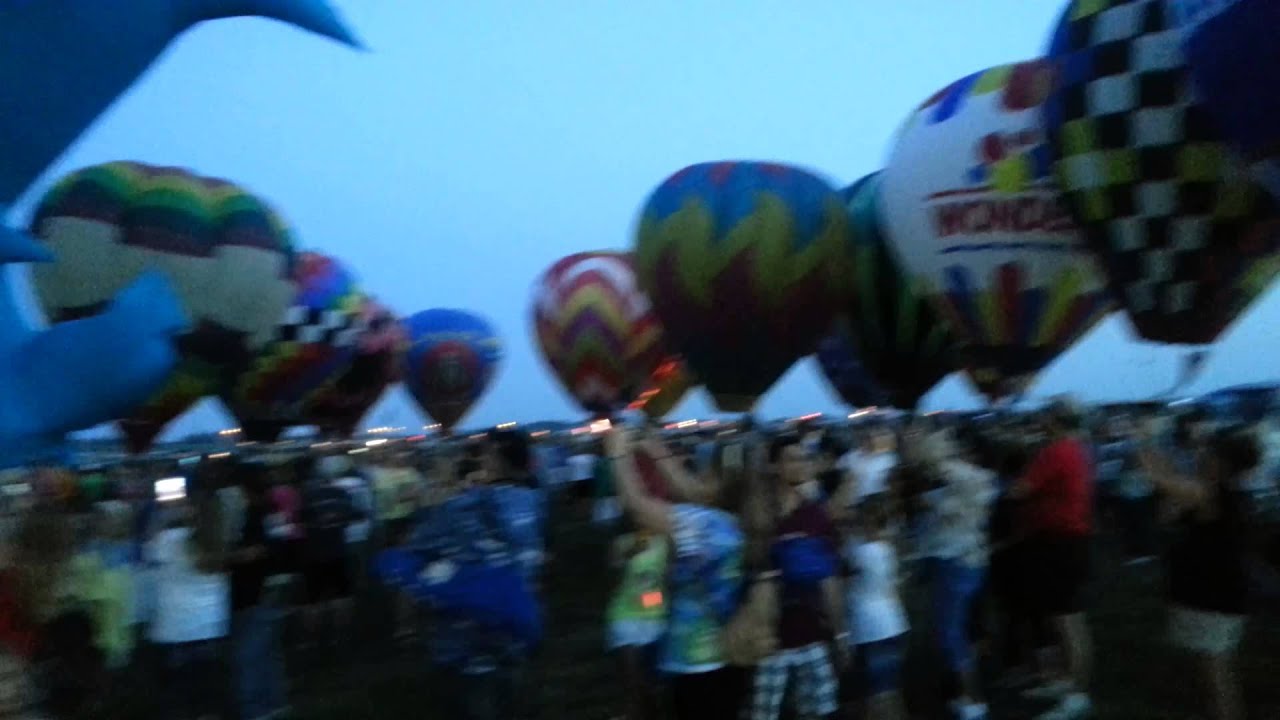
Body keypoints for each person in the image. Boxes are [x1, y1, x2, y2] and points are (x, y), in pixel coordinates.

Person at [607, 428, 749, 720]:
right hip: (728, 653)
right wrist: (654, 449)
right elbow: (689, 489)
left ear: (722, 482)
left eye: (706, 473)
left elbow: (637, 505)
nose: (696, 478)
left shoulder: (705, 526)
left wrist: (618, 454)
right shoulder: (734, 523)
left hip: (697, 661)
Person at [1138, 424, 1264, 720]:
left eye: (1208, 453)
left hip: (1212, 594)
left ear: (1221, 463)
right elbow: (1171, 497)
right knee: (1213, 668)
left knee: (1215, 672)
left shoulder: (1209, 493)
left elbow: (1160, 479)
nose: (1201, 455)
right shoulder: (1229, 493)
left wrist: (1144, 441)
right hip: (1219, 592)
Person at [751, 434, 843, 720]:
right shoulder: (759, 512)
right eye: (792, 459)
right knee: (764, 713)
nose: (800, 465)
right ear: (774, 466)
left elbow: (829, 577)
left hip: (811, 632)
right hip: (770, 637)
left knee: (819, 709)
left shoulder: (815, 514)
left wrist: (840, 632)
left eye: (804, 458)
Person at [1014, 398, 1095, 720]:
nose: (1040, 420)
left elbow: (1020, 489)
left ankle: (1077, 695)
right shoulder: (1076, 448)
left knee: (1069, 621)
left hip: (1062, 542)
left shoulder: (1057, 451)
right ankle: (1064, 681)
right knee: (1060, 617)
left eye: (1045, 415)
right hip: (1065, 541)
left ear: (1055, 420)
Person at [913, 431, 996, 720]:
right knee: (967, 627)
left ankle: (972, 699)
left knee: (950, 632)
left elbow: (944, 512)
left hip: (954, 562)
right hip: (975, 558)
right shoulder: (980, 476)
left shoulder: (948, 476)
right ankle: (970, 688)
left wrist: (935, 505)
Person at [147, 490, 230, 720]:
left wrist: (163, 517)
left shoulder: (169, 540)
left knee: (177, 700)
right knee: (207, 699)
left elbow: (146, 552)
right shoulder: (220, 544)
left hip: (174, 629)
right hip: (210, 628)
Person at [229, 463, 288, 720]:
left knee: (248, 655)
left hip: (256, 591)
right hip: (273, 586)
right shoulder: (271, 510)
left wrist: (228, 557)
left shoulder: (255, 514)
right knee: (268, 650)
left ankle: (255, 709)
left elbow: (259, 550)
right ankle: (275, 702)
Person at [843, 493, 908, 720]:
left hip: (872, 629)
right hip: (893, 623)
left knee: (877, 696)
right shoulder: (888, 548)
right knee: (889, 691)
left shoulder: (864, 553)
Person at [606, 526, 668, 720]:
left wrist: (649, 600)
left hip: (656, 620)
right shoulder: (621, 542)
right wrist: (625, 557)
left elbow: (671, 585)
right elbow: (611, 582)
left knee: (650, 686)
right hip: (624, 618)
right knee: (633, 682)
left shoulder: (667, 540)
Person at [299, 459, 361, 649]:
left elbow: (300, 522)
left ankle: (310, 640)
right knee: (342, 596)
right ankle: (340, 636)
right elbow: (355, 516)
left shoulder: (307, 496)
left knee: (312, 600)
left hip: (313, 552)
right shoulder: (342, 495)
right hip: (338, 550)